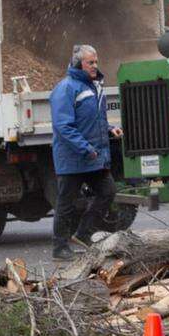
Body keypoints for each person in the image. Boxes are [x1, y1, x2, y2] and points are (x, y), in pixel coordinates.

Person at [49, 44, 123, 261]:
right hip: (73, 157)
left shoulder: (94, 87)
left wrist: (110, 129)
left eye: (96, 62)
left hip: (92, 156)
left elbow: (94, 120)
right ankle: (59, 248)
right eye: (90, 62)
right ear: (78, 64)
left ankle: (83, 233)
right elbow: (63, 126)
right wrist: (85, 148)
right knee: (66, 202)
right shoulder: (66, 88)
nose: (95, 66)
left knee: (108, 191)